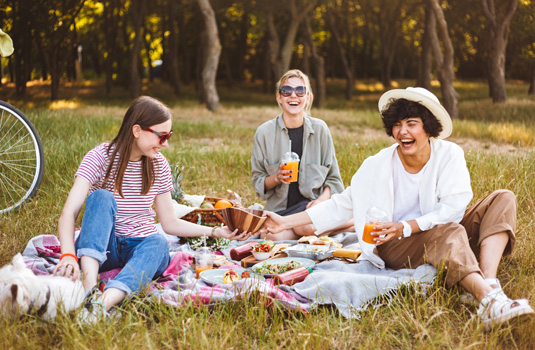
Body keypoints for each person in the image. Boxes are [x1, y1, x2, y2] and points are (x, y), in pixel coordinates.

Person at [261, 87, 534, 329]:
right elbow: (341, 206)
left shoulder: (450, 155)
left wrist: (407, 226)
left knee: (503, 197)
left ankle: (490, 284)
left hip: (436, 232)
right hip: (393, 244)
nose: (403, 131)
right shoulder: (376, 165)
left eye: (412, 124)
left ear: (428, 127)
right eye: (397, 124)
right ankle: (488, 299)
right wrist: (284, 222)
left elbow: (454, 207)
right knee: (448, 231)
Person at [53, 96, 252, 322]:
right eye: (162, 136)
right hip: (102, 248)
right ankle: (89, 291)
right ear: (137, 130)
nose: (165, 143)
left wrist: (215, 232)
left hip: (140, 248)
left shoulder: (158, 164)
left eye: (169, 135)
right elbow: (68, 213)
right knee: (101, 197)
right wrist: (68, 255)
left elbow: (169, 223)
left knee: (158, 242)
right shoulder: (99, 157)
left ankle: (102, 303)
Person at [251, 69, 352, 240]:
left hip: (311, 209)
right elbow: (258, 182)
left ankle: (343, 225)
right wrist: (277, 178)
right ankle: (347, 226)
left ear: (308, 98)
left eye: (300, 91)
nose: (293, 96)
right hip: (280, 211)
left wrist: (320, 202)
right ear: (279, 97)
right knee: (272, 238)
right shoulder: (264, 133)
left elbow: (334, 180)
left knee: (306, 225)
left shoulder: (320, 130)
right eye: (286, 91)